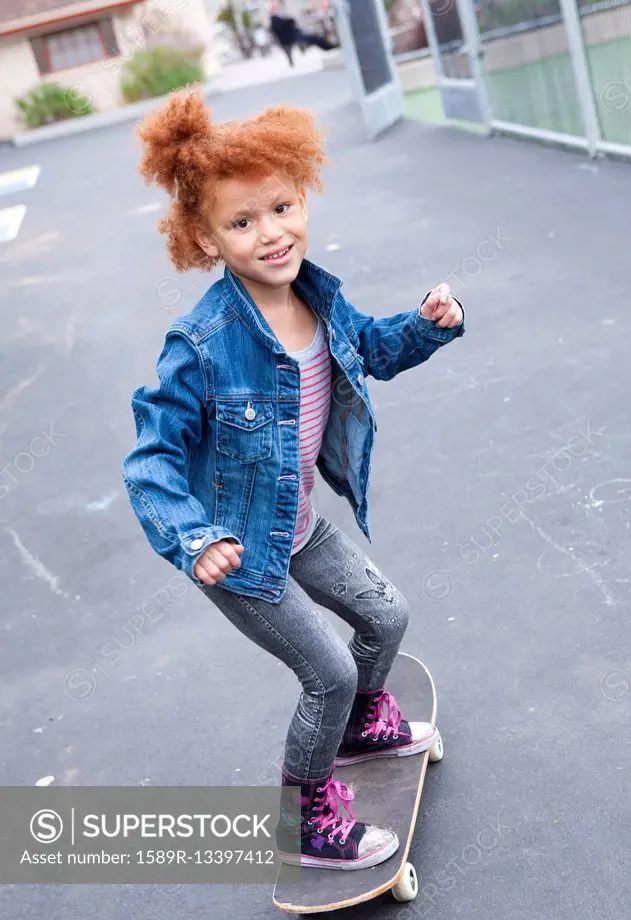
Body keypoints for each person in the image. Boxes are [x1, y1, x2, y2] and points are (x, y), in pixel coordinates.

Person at [122, 93, 465, 870]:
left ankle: (352, 731)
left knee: (387, 617)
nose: (272, 232)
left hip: (297, 522)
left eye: (282, 206)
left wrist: (429, 324)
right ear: (204, 238)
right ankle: (306, 817)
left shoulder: (319, 294)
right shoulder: (202, 343)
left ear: (303, 196)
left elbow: (372, 348)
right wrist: (195, 536)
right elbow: (150, 461)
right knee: (329, 671)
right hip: (237, 552)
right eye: (242, 223)